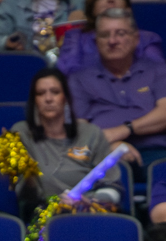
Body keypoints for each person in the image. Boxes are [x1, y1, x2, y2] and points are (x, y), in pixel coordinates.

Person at [8, 68, 129, 221]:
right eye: (40, 93)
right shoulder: (22, 132)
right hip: (47, 214)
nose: (48, 99)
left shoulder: (90, 133)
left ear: (65, 98)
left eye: (55, 92)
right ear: (34, 101)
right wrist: (28, 177)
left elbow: (113, 185)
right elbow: (26, 196)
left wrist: (91, 200)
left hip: (93, 210)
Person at [69, 7, 166, 156]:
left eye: (120, 34)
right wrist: (109, 146)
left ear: (136, 39)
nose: (112, 41)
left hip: (159, 151)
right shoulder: (80, 79)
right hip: (105, 154)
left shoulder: (158, 70)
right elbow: (78, 134)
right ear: (96, 41)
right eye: (104, 35)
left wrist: (124, 130)